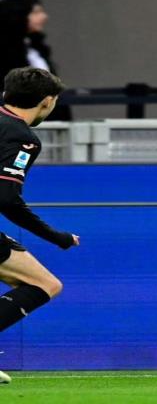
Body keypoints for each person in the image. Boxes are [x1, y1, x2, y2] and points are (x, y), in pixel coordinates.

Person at [0, 67, 79, 384]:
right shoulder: (21, 137)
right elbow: (6, 198)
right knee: (44, 284)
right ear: (47, 101)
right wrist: (56, 236)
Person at [0, 0, 71, 120]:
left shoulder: (34, 46)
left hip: (47, 116)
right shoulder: (5, 51)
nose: (44, 17)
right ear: (17, 16)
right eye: (36, 12)